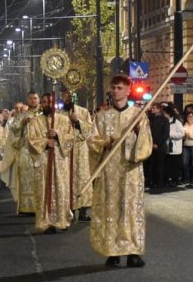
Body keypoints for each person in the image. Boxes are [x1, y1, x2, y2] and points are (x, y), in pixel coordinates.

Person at [87, 75, 152, 268]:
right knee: (111, 208)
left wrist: (138, 131)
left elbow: (146, 143)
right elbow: (92, 140)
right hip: (109, 169)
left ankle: (133, 251)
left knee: (131, 209)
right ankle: (112, 251)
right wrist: (107, 142)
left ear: (128, 90)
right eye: (113, 88)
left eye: (120, 88)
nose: (116, 91)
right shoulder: (102, 116)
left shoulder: (138, 115)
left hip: (130, 170)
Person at [27, 93, 73, 234]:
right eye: (46, 102)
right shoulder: (35, 121)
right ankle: (45, 222)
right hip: (44, 160)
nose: (48, 104)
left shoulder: (64, 120)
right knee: (44, 190)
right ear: (42, 103)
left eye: (51, 102)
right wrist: (46, 142)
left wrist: (58, 135)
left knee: (61, 189)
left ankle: (61, 220)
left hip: (60, 160)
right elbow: (30, 140)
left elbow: (71, 138)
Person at [61, 88, 94, 221]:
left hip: (81, 149)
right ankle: (68, 210)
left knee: (82, 178)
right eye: (64, 96)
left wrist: (78, 122)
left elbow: (90, 130)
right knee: (66, 179)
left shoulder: (83, 111)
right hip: (66, 149)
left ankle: (83, 211)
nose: (67, 99)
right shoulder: (59, 113)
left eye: (69, 96)